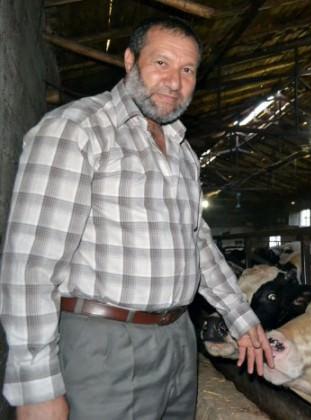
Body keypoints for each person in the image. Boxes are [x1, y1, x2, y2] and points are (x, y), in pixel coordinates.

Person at [0, 17, 273, 420]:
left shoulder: (182, 151)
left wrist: (239, 315)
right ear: (130, 61)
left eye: (187, 70)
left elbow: (197, 242)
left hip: (179, 340)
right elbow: (31, 266)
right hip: (104, 346)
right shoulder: (76, 129)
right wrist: (36, 386)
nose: (174, 82)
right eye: (161, 63)